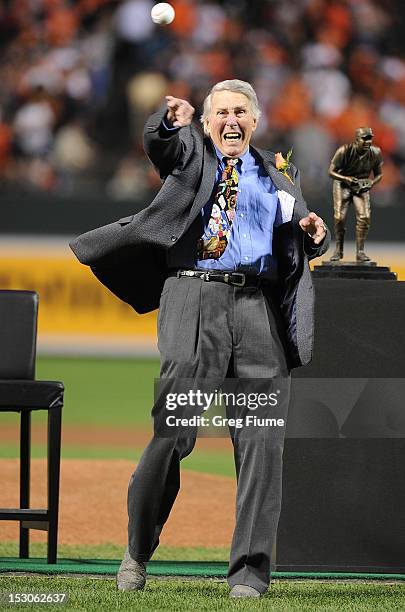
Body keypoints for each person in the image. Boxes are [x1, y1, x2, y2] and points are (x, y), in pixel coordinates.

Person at [70, 79, 329, 598]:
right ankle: (138, 550)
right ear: (208, 122)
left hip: (259, 312)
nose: (231, 121)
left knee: (261, 444)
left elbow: (297, 231)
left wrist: (311, 230)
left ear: (255, 121)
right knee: (175, 433)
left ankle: (250, 575)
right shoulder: (193, 155)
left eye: (241, 112)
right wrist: (169, 123)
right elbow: (163, 146)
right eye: (222, 113)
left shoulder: (281, 171)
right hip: (194, 302)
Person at [328, 126, 383, 262]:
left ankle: (360, 251)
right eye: (364, 139)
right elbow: (331, 172)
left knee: (364, 217)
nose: (368, 142)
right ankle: (338, 250)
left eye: (370, 139)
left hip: (361, 187)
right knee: (339, 217)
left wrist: (371, 182)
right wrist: (346, 178)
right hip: (343, 185)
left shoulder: (375, 152)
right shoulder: (344, 151)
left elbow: (379, 174)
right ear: (356, 140)